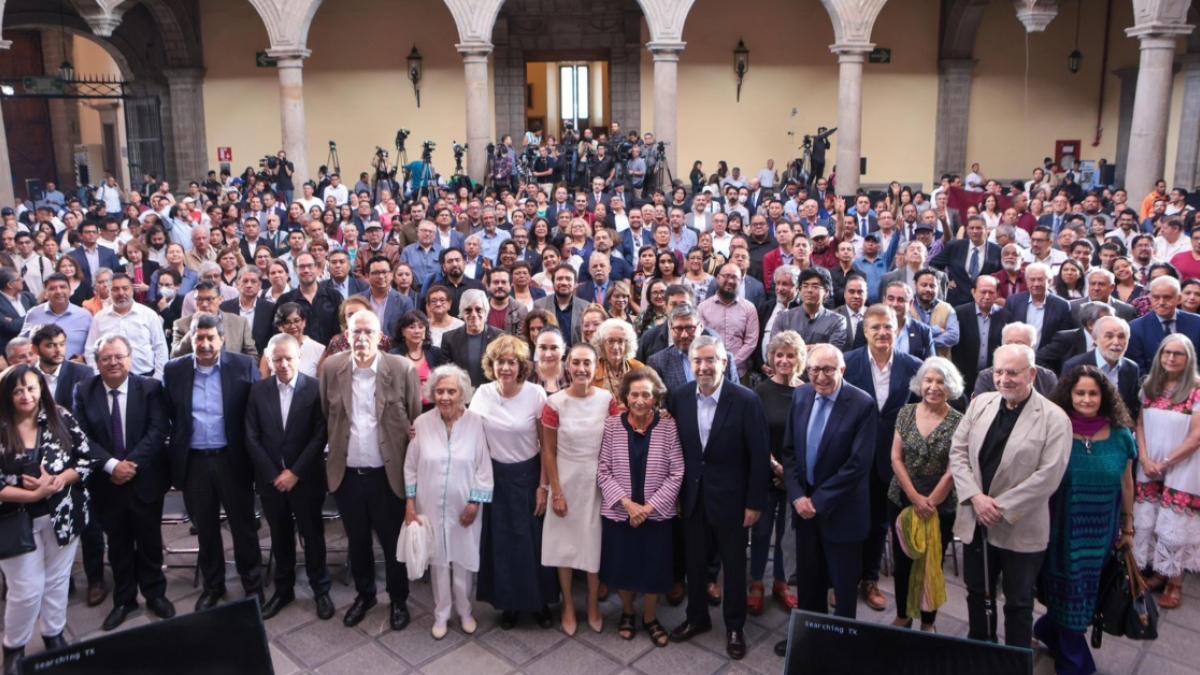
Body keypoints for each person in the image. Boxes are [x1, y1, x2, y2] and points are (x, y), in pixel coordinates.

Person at [949, 344, 1071, 647]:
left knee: (1018, 601)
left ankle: (1015, 658)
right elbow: (958, 451)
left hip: (1020, 526)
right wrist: (975, 498)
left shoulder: (1055, 418)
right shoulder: (981, 404)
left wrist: (998, 507)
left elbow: (1048, 476)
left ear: (1031, 374)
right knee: (977, 591)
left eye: (1012, 373)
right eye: (999, 372)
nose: (1004, 379)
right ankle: (980, 646)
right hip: (975, 518)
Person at [666, 336, 769, 660]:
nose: (704, 367)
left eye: (711, 360)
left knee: (734, 566)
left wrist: (754, 503)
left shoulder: (746, 400)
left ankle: (735, 626)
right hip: (693, 497)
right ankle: (697, 618)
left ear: (724, 363)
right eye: (698, 361)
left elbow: (758, 455)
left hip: (733, 501)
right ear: (691, 364)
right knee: (694, 564)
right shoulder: (679, 397)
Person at [319, 310, 421, 631]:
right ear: (346, 336)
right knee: (358, 541)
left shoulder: (401, 368)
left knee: (393, 544)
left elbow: (414, 419)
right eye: (356, 331)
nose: (362, 337)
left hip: (386, 475)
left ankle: (399, 599)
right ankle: (365, 596)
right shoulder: (331, 368)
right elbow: (327, 415)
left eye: (369, 332)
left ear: (381, 337)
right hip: (348, 475)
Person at [1037, 366, 1137, 675]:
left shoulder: (1121, 435)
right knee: (1069, 590)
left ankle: (1048, 629)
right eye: (1079, 392)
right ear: (1068, 395)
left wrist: (1128, 526)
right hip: (1060, 529)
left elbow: (1127, 483)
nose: (1086, 399)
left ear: (1104, 396)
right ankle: (1075, 664)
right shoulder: (1054, 428)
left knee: (1086, 591)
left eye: (1093, 393)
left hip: (1100, 533)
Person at [71, 335, 174, 632]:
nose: (113, 362)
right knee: (117, 543)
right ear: (97, 362)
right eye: (106, 358)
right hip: (106, 482)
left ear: (130, 358)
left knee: (150, 541)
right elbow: (81, 437)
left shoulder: (151, 388)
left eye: (119, 356)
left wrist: (131, 464)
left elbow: (158, 429)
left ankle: (155, 594)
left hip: (145, 478)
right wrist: (112, 466)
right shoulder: (84, 390)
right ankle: (124, 599)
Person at [162, 314, 264, 612]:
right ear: (191, 338)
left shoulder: (243, 366)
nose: (205, 344)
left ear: (222, 338)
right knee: (205, 529)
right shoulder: (175, 370)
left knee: (243, 528)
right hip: (195, 463)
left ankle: (252, 586)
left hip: (232, 461)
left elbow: (254, 412)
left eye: (210, 338)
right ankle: (213, 586)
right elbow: (172, 414)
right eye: (199, 338)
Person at [778, 343, 877, 638]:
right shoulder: (801, 394)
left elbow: (858, 465)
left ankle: (842, 648)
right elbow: (789, 451)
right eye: (814, 369)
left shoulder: (862, 404)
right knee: (809, 582)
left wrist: (817, 501)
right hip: (804, 509)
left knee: (844, 588)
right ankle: (808, 642)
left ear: (842, 370)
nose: (820, 376)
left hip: (841, 512)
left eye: (828, 370)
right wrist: (797, 496)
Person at [0, 365, 93, 672]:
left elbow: (85, 458)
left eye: (31, 388)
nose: (26, 396)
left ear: (41, 388)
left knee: (56, 581)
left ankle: (54, 633)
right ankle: (14, 646)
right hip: (14, 521)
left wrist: (59, 481)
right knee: (26, 590)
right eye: (18, 390)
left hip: (62, 515)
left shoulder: (60, 417)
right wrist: (32, 496)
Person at [470, 335, 556, 629]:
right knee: (503, 544)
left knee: (533, 543)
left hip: (529, 475)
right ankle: (509, 603)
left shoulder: (535, 394)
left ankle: (541, 602)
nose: (505, 367)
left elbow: (546, 445)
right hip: (496, 478)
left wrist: (543, 486)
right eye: (500, 362)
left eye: (512, 362)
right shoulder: (482, 393)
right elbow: (469, 433)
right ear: (491, 365)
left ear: (521, 366)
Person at [245, 334, 333, 621]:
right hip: (272, 482)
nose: (282, 364)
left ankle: (321, 590)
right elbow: (251, 436)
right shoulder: (258, 391)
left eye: (288, 358)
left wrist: (295, 473)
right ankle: (284, 590)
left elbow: (320, 435)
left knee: (313, 536)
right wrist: (274, 475)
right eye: (277, 359)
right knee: (280, 537)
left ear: (299, 358)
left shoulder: (315, 389)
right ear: (269, 361)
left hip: (305, 479)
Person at [404, 365, 494, 639]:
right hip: (429, 506)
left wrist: (474, 502)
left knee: (464, 561)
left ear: (463, 394)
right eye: (440, 391)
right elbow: (410, 467)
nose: (444, 396)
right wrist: (409, 505)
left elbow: (483, 466)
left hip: (465, 507)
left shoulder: (476, 422)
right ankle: (441, 614)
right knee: (439, 562)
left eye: (451, 391)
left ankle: (465, 611)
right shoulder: (421, 423)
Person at [597, 367, 684, 648]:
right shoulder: (612, 425)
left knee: (654, 568)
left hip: (656, 514)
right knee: (622, 565)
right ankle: (627, 611)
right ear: (625, 396)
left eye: (646, 394)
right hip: (620, 511)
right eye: (634, 394)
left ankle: (649, 617)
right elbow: (603, 470)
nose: (640, 400)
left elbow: (677, 471)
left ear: (655, 397)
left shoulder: (668, 425)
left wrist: (648, 508)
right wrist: (627, 504)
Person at [843, 304, 922, 612]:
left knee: (878, 523)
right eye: (874, 327)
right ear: (865, 332)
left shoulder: (913, 366)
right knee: (850, 521)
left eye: (887, 326)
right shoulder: (848, 363)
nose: (881, 332)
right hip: (853, 457)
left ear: (897, 329)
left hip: (892, 460)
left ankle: (870, 579)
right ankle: (844, 580)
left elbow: (919, 413)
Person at [541, 342, 617, 635]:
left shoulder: (607, 399)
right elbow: (548, 452)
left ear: (596, 365)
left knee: (592, 545)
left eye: (587, 363)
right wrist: (555, 492)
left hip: (598, 482)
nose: (582, 369)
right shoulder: (554, 403)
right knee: (564, 546)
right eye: (576, 363)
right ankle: (569, 606)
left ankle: (594, 607)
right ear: (567, 365)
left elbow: (615, 442)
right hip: (566, 480)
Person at [887, 356, 964, 632]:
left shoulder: (959, 420)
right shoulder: (905, 413)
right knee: (903, 560)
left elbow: (956, 467)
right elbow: (896, 458)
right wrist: (914, 497)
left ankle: (928, 621)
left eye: (940, 382)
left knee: (933, 562)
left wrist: (931, 501)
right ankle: (903, 614)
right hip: (903, 498)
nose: (933, 387)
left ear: (950, 386)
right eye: (928, 380)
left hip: (940, 504)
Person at [1134, 335, 1200, 609]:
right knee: (1149, 518)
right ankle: (1160, 572)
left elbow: (1197, 436)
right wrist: (1147, 458)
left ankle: (1176, 582)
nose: (1171, 358)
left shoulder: (1196, 389)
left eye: (1178, 354)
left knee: (1176, 525)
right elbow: (1139, 424)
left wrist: (1165, 462)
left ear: (1188, 359)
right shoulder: (1150, 386)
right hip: (1149, 463)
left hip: (1183, 465)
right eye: (1166, 353)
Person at [750, 331, 806, 616]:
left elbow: (808, 438)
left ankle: (781, 583)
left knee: (788, 533)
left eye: (791, 355)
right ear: (771, 358)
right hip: (766, 473)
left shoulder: (807, 391)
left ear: (800, 359)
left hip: (796, 478)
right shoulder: (760, 391)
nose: (784, 360)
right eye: (779, 355)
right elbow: (756, 436)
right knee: (761, 531)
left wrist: (792, 473)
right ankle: (757, 582)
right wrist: (775, 466)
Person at [441, 289, 504, 387]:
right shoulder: (449, 339)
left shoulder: (499, 337)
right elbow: (446, 373)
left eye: (478, 309)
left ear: (486, 311)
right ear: (462, 313)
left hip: (491, 396)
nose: (473, 314)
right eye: (468, 310)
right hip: (461, 396)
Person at [592, 318, 644, 401]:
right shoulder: (593, 370)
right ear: (601, 344)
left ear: (627, 344)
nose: (616, 347)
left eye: (620, 341)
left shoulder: (639, 368)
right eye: (610, 341)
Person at [529, 327, 568, 393]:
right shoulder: (526, 373)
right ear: (536, 348)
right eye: (543, 348)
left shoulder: (572, 373)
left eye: (554, 348)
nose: (548, 354)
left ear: (563, 349)